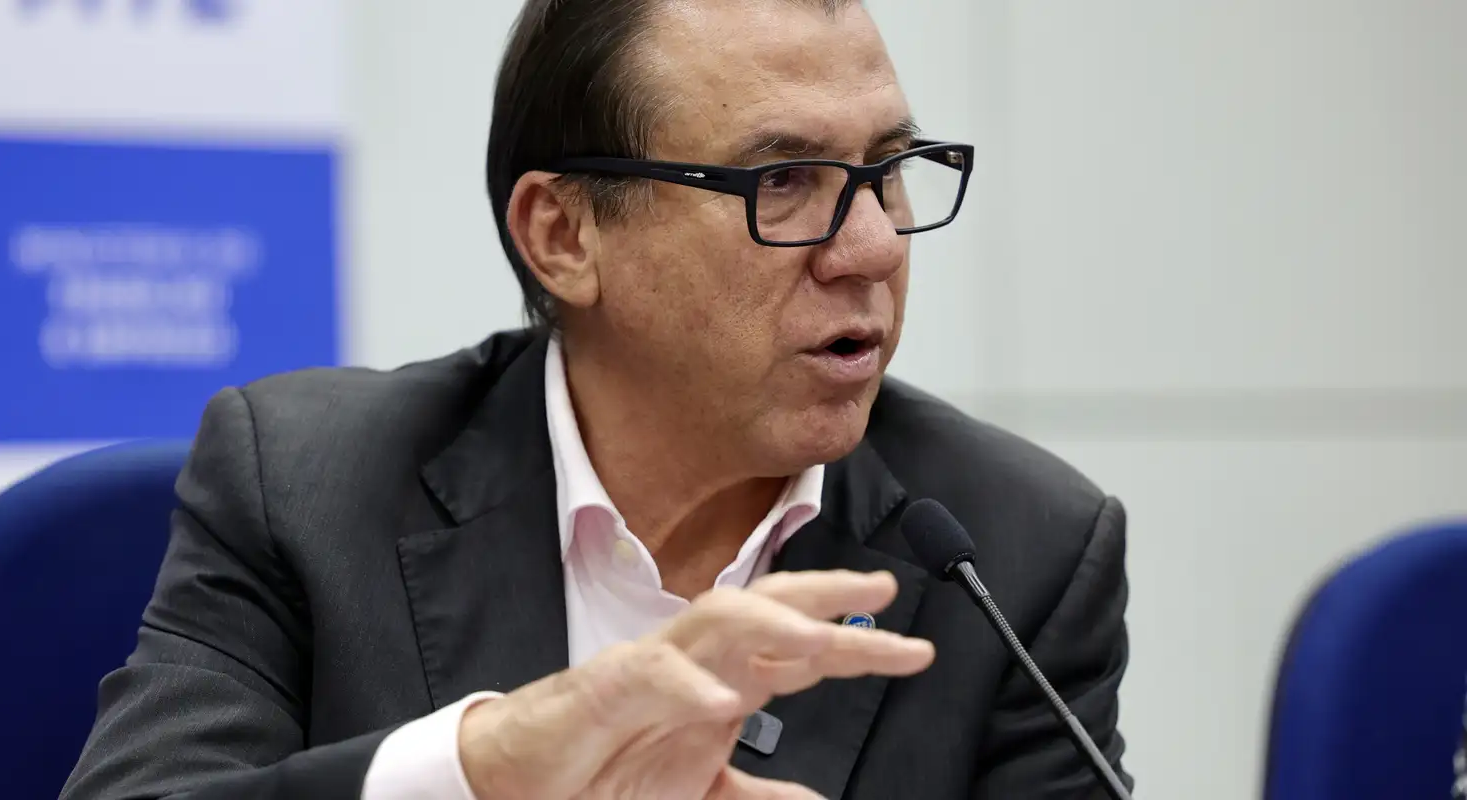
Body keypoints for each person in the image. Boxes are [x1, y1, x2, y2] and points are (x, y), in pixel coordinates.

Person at [61, 0, 1133, 797]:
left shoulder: (1015, 552)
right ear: (564, 235)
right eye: (781, 182)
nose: (872, 246)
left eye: (887, 168)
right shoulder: (305, 482)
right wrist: (482, 767)